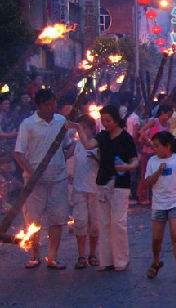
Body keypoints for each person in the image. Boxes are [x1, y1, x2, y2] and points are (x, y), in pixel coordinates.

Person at [73, 105, 138, 271]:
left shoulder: (126, 138)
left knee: (118, 222)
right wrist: (79, 128)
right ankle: (107, 259)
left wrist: (126, 167)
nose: (106, 124)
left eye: (109, 120)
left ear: (116, 120)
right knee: (104, 223)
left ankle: (121, 259)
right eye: (103, 121)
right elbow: (88, 145)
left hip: (120, 184)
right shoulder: (102, 136)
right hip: (102, 182)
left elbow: (135, 160)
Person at [14, 89, 71, 269]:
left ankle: (52, 257)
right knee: (33, 219)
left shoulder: (61, 121)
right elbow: (18, 153)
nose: (52, 107)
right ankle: (33, 255)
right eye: (48, 105)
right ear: (38, 105)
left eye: (54, 104)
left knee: (57, 219)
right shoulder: (28, 124)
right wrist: (32, 174)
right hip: (35, 183)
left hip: (58, 180)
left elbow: (66, 147)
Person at [144, 131, 176, 283]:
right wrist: (158, 172)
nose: (155, 149)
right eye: (154, 146)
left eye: (157, 146)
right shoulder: (152, 161)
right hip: (158, 203)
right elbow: (148, 183)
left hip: (175, 202)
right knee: (157, 238)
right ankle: (156, 261)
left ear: (168, 146)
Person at [71, 114, 100, 269]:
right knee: (80, 222)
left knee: (94, 224)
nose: (81, 131)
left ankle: (93, 254)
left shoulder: (97, 144)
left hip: (95, 190)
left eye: (84, 128)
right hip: (79, 189)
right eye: (79, 127)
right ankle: (81, 255)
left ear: (91, 129)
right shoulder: (76, 145)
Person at [137, 104, 174, 205]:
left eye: (170, 116)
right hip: (148, 152)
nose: (168, 118)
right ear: (162, 113)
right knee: (145, 174)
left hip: (159, 154)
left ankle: (156, 197)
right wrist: (150, 142)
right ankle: (142, 197)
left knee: (158, 175)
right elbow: (141, 131)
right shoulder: (154, 121)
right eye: (168, 115)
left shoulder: (168, 125)